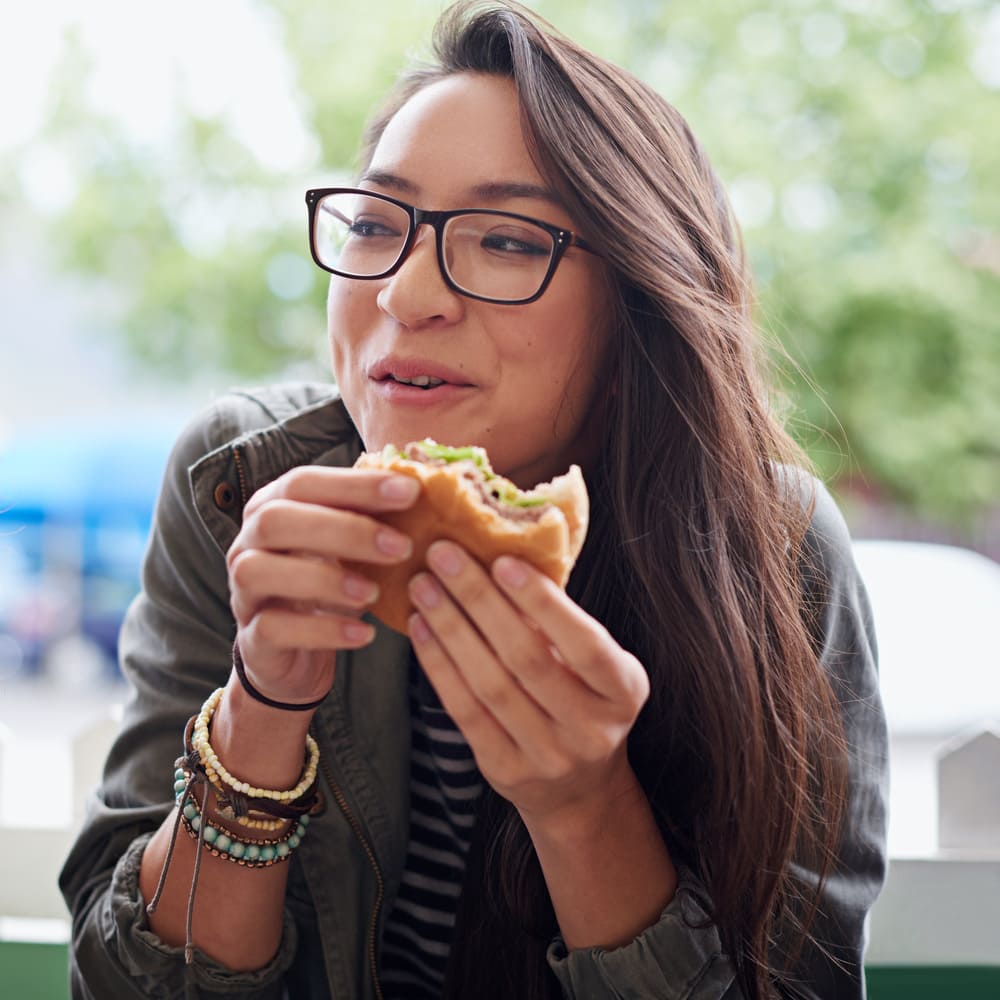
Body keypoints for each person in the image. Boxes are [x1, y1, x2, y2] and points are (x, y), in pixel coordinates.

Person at [60, 2, 889, 997]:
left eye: (502, 240)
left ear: (640, 303)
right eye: (373, 223)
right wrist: (263, 706)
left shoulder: (772, 550)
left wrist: (581, 803)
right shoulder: (240, 487)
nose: (407, 294)